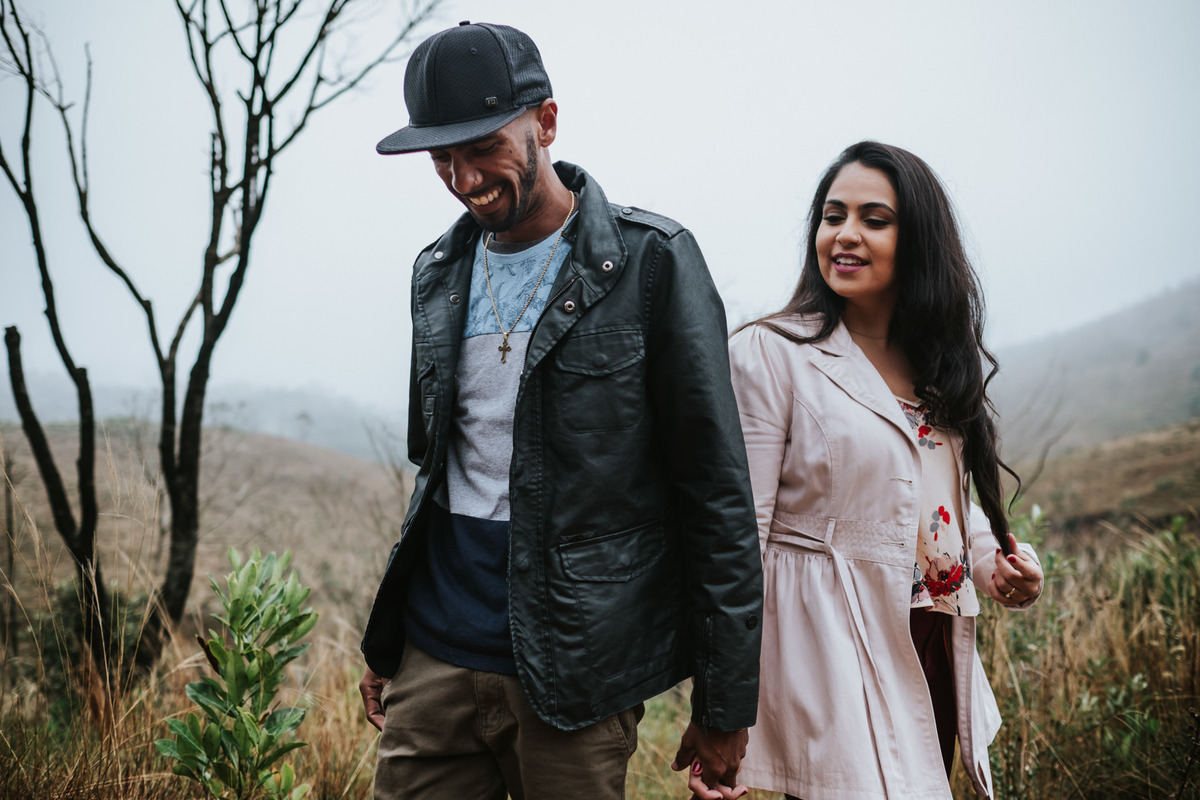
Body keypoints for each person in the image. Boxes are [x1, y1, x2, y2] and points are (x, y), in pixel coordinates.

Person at [356, 21, 762, 800]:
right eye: (442, 157)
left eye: (482, 148)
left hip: (575, 673)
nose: (464, 177)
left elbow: (715, 495)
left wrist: (724, 704)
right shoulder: (437, 274)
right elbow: (438, 470)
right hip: (434, 659)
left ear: (545, 121)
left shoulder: (653, 263)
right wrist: (394, 639)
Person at [727, 141, 1044, 800]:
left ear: (918, 240)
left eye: (874, 218)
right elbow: (740, 536)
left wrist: (995, 564)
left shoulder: (937, 365)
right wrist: (724, 707)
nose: (844, 234)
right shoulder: (771, 354)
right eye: (832, 215)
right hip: (828, 652)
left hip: (930, 646)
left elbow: (943, 505)